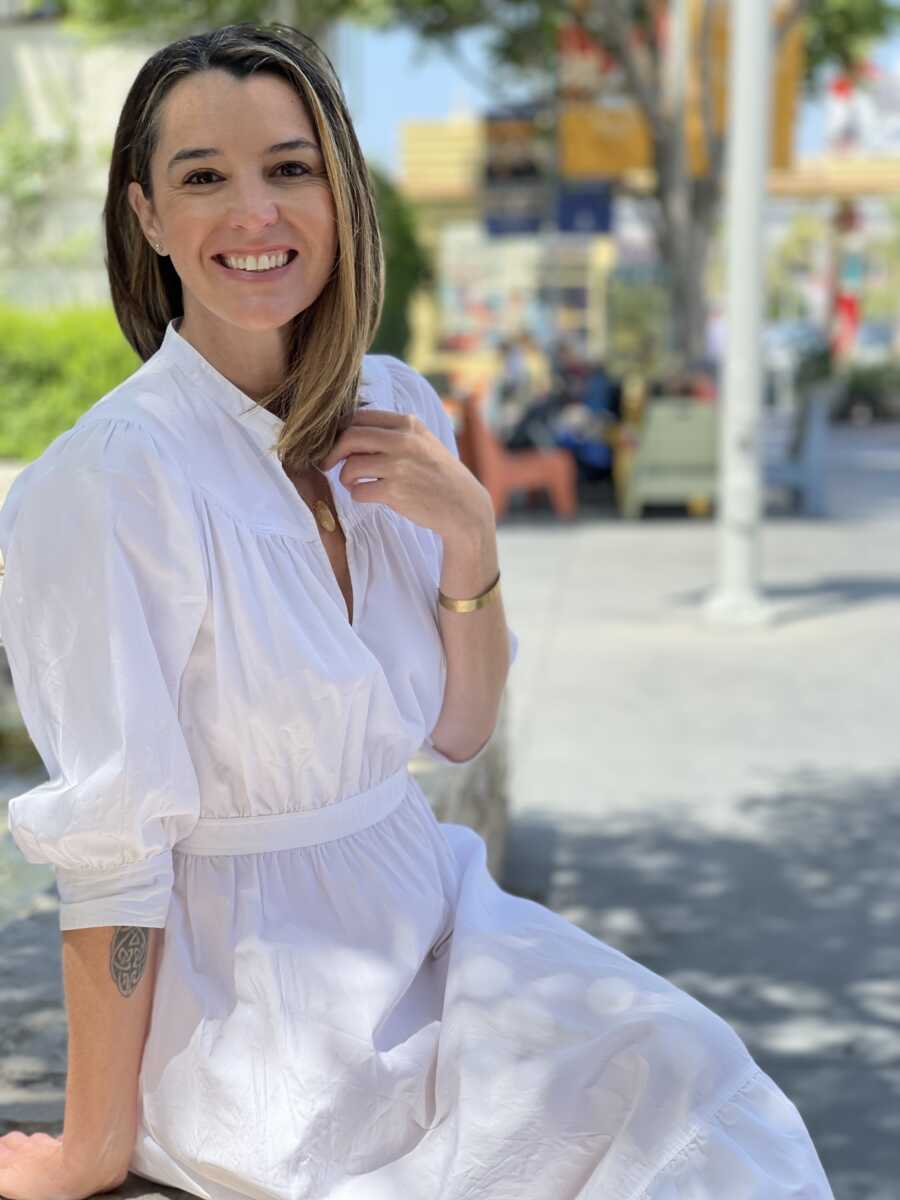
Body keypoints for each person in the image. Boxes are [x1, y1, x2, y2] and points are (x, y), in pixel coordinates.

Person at [0, 21, 834, 1200]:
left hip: (436, 919)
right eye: (204, 177)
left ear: (341, 194)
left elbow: (461, 729)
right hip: (264, 997)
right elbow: (110, 853)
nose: (257, 214)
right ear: (145, 218)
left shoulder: (394, 405)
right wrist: (88, 1150)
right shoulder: (108, 482)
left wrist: (470, 536)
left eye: (291, 169)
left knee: (703, 1089)